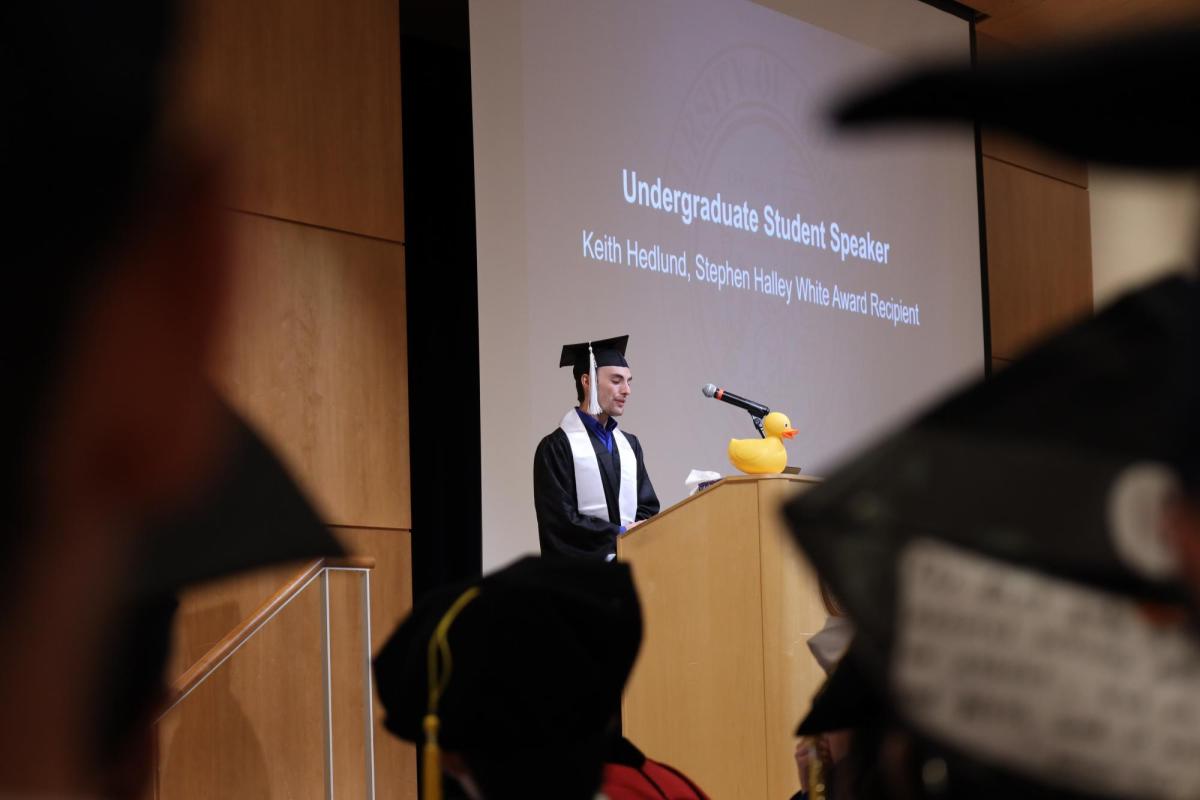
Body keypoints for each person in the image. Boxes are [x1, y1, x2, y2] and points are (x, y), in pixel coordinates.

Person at [534, 335, 660, 560]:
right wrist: (619, 534)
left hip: (630, 573)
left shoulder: (630, 445)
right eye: (616, 380)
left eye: (629, 381)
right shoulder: (557, 448)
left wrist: (633, 537)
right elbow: (560, 523)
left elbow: (647, 509)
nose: (627, 390)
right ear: (587, 381)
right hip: (581, 581)